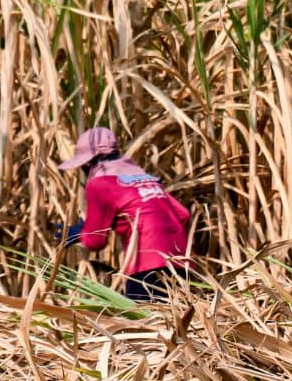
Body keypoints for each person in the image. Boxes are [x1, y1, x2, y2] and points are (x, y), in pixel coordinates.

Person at [52, 126, 194, 302]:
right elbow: (183, 214)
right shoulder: (145, 178)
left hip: (145, 262)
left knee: (142, 325)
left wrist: (74, 234)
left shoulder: (99, 183)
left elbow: (95, 240)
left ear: (88, 163)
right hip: (180, 260)